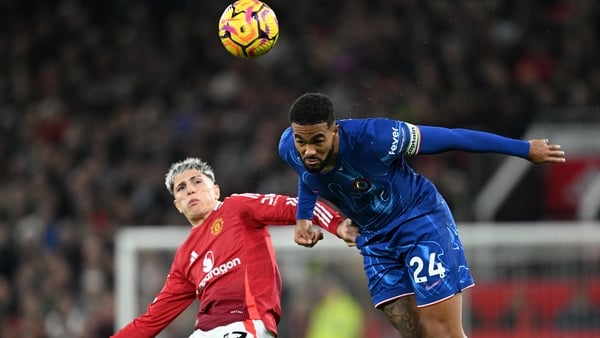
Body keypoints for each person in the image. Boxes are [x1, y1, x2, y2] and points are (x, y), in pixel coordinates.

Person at [278, 92, 567, 338]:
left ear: (335, 130)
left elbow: (453, 138)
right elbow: (308, 177)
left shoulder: (377, 137)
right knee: (415, 333)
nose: (309, 150)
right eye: (302, 142)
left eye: (317, 140)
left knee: (443, 333)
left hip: (418, 222)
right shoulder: (290, 148)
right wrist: (304, 218)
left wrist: (524, 149)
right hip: (376, 241)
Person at [111, 157, 357, 338]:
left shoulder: (237, 209)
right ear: (178, 205)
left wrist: (337, 226)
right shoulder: (185, 257)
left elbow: (297, 205)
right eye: (181, 188)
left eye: (196, 181)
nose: (190, 190)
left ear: (215, 190)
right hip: (204, 332)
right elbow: (152, 320)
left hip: (245, 323)